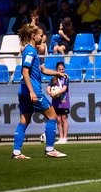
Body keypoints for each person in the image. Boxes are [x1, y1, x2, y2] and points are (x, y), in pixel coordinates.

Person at [11, 23, 67, 159]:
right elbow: (25, 71)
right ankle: (50, 149)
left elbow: (42, 69)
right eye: (40, 35)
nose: (42, 38)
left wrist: (57, 73)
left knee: (24, 120)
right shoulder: (30, 51)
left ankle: (16, 152)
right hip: (33, 90)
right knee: (52, 117)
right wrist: (32, 91)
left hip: (23, 91)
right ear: (33, 36)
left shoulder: (32, 51)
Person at [48, 61, 70, 144]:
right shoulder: (53, 79)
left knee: (64, 119)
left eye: (62, 69)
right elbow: (48, 88)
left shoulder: (66, 78)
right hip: (56, 103)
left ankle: (65, 137)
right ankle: (60, 137)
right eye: (59, 69)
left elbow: (64, 89)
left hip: (64, 102)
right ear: (56, 70)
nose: (61, 71)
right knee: (58, 120)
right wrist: (50, 93)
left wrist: (55, 93)